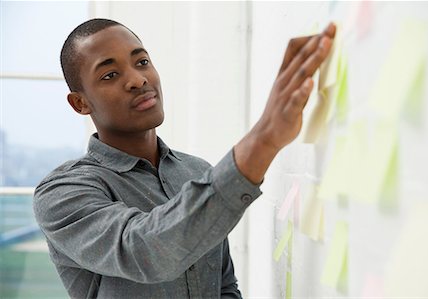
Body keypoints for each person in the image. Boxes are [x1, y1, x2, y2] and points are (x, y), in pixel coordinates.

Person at [33, 18, 335, 298]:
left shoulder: (196, 171)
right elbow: (146, 250)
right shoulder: (61, 194)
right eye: (110, 74)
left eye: (142, 62)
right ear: (80, 103)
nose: (137, 80)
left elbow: (224, 287)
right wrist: (263, 141)